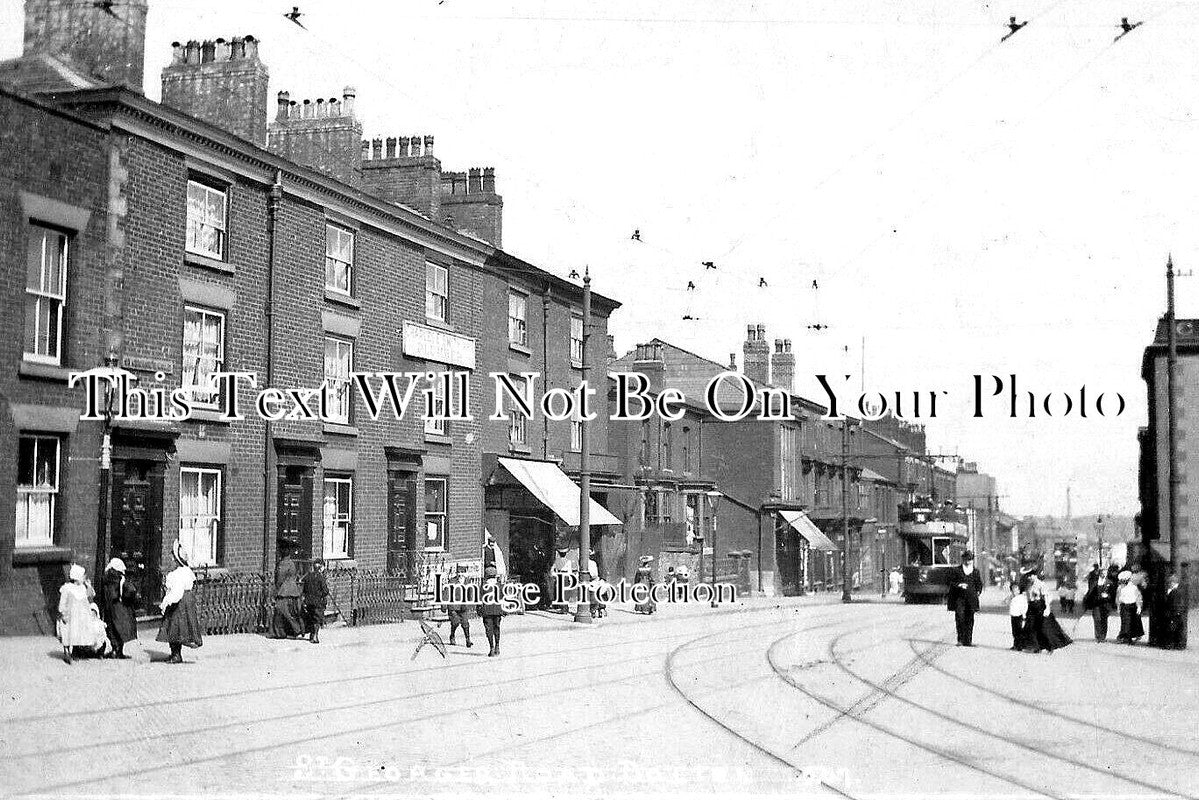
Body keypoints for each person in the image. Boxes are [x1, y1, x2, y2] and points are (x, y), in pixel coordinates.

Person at [156, 541, 203, 663]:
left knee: (174, 628)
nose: (171, 559)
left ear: (177, 561)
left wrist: (166, 603)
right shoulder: (187, 572)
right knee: (181, 628)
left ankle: (176, 655)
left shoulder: (176, 575)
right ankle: (176, 654)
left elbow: (176, 593)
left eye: (173, 557)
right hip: (187, 602)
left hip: (179, 604)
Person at [58, 564, 108, 663]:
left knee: (77, 632)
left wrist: (89, 585)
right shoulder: (67, 588)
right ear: (77, 577)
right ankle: (66, 651)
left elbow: (90, 595)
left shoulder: (82, 588)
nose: (84, 578)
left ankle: (76, 651)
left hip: (80, 614)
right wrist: (63, 612)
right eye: (83, 576)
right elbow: (63, 602)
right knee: (67, 632)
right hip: (69, 614)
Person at [99, 557, 138, 659]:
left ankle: (115, 649)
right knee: (120, 628)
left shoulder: (107, 577)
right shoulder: (120, 578)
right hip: (121, 606)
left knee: (112, 629)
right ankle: (119, 651)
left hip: (110, 607)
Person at [946, 552, 983, 646]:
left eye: (970, 560)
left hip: (971, 599)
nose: (968, 562)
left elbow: (979, 583)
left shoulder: (975, 571)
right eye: (966, 559)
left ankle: (968, 641)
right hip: (959, 598)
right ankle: (960, 640)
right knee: (960, 618)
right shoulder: (957, 570)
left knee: (970, 619)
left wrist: (978, 591)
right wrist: (959, 585)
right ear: (963, 560)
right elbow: (950, 582)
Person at [268, 546, 304, 639]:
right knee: (291, 612)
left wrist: (276, 590)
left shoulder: (283, 564)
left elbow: (280, 578)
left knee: (280, 612)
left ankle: (283, 632)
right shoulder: (291, 563)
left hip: (284, 590)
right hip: (293, 590)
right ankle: (295, 630)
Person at [1083, 564, 1116, 642]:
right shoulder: (1094, 582)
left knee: (1104, 620)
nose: (1104, 574)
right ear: (1100, 573)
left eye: (1105, 573)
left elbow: (1113, 594)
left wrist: (1107, 596)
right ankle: (1098, 636)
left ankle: (1103, 636)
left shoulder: (1110, 582)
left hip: (1105, 604)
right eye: (1102, 573)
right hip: (1096, 604)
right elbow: (1090, 592)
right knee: (1097, 619)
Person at [300, 559, 330, 644]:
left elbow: (304, 589)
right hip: (318, 602)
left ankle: (311, 635)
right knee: (317, 619)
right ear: (320, 568)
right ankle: (315, 636)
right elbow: (325, 591)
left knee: (311, 618)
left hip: (309, 601)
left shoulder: (308, 576)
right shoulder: (321, 577)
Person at [479, 565, 506, 657]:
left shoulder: (483, 586)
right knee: (497, 628)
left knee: (489, 629)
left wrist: (479, 610)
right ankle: (497, 646)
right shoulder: (500, 586)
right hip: (498, 610)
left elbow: (479, 600)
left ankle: (491, 647)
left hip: (487, 611)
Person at [444, 565, 473, 647]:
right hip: (453, 606)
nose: (460, 574)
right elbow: (446, 593)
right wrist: (444, 605)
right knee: (455, 622)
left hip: (463, 606)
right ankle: (452, 635)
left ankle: (468, 640)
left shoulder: (468, 581)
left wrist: (470, 603)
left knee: (465, 623)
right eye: (459, 572)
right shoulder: (452, 581)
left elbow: (470, 593)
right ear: (456, 573)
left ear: (465, 573)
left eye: (462, 572)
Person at [1160, 571, 1188, 650]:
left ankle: (1170, 645)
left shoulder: (1174, 591)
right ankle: (1178, 645)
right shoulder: (1179, 590)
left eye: (1170, 583)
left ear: (1173, 582)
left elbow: (1173, 604)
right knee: (1177, 629)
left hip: (1173, 614)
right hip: (1177, 613)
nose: (1169, 584)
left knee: (1171, 629)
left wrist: (1172, 613)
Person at [1115, 570, 1145, 644]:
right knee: (1125, 623)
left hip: (1132, 606)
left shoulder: (1134, 587)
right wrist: (1118, 607)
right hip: (1124, 606)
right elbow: (1118, 598)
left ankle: (1128, 637)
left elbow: (1138, 597)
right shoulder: (1120, 588)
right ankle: (1125, 638)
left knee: (1132, 622)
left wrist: (1139, 607)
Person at [549, 547, 576, 613]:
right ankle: (565, 608)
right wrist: (570, 578)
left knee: (560, 592)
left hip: (559, 575)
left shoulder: (557, 560)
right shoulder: (568, 561)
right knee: (565, 592)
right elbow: (570, 571)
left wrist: (554, 575)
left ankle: (562, 607)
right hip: (566, 576)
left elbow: (552, 569)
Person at [1008, 580, 1028, 651]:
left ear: (1019, 590)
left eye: (1016, 590)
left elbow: (1024, 606)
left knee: (1019, 631)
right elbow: (1006, 602)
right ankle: (1015, 644)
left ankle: (1020, 645)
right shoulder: (1011, 597)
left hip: (1019, 615)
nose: (1014, 592)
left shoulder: (1022, 597)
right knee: (1014, 631)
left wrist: (1024, 614)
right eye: (1013, 591)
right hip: (1013, 615)